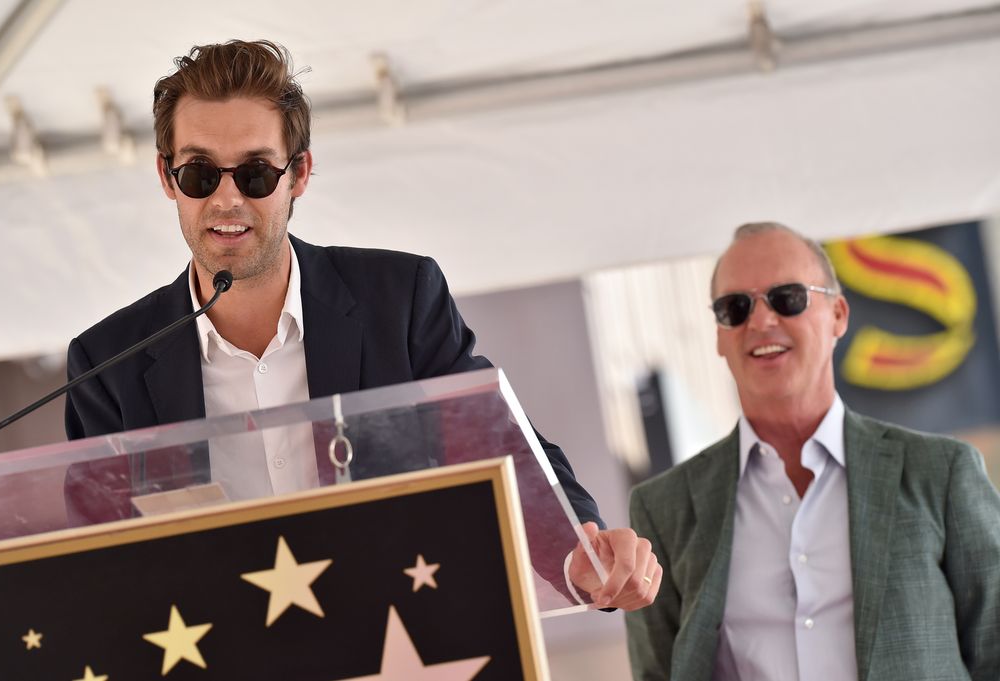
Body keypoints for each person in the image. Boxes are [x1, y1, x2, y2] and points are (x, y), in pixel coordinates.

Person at [63, 39, 659, 611]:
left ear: (298, 175)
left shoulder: (397, 301)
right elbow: (100, 568)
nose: (226, 200)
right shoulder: (107, 365)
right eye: (199, 174)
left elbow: (502, 446)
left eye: (255, 174)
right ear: (168, 179)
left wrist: (579, 554)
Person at [626, 222, 1000, 679]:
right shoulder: (664, 509)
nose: (761, 321)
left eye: (788, 297)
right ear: (720, 335)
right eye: (735, 307)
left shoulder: (941, 473)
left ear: (839, 314)